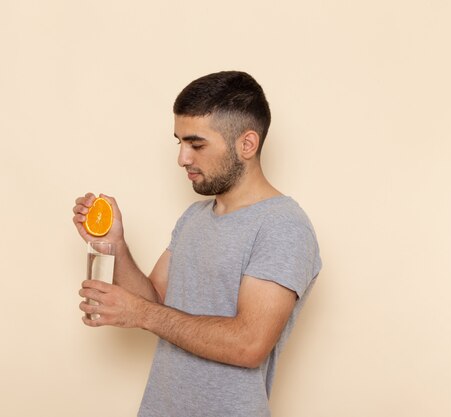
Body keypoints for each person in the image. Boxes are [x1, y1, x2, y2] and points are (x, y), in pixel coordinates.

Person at [73, 71, 321, 417]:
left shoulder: (283, 226)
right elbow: (157, 301)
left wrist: (140, 314)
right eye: (180, 143)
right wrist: (117, 245)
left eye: (197, 144)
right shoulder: (194, 217)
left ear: (247, 144)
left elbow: (249, 344)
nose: (183, 159)